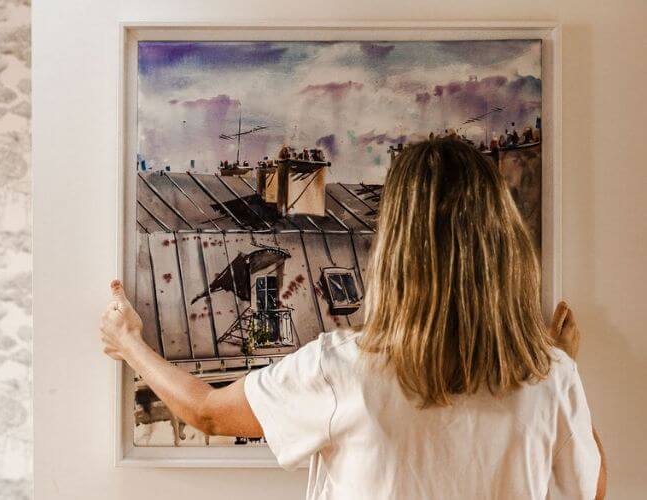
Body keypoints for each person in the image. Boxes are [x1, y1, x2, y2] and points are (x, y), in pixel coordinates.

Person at [100, 138, 604, 499]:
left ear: (396, 246)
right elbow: (590, 489)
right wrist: (558, 360)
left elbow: (207, 411)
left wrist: (130, 344)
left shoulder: (341, 367)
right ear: (503, 244)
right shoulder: (550, 375)